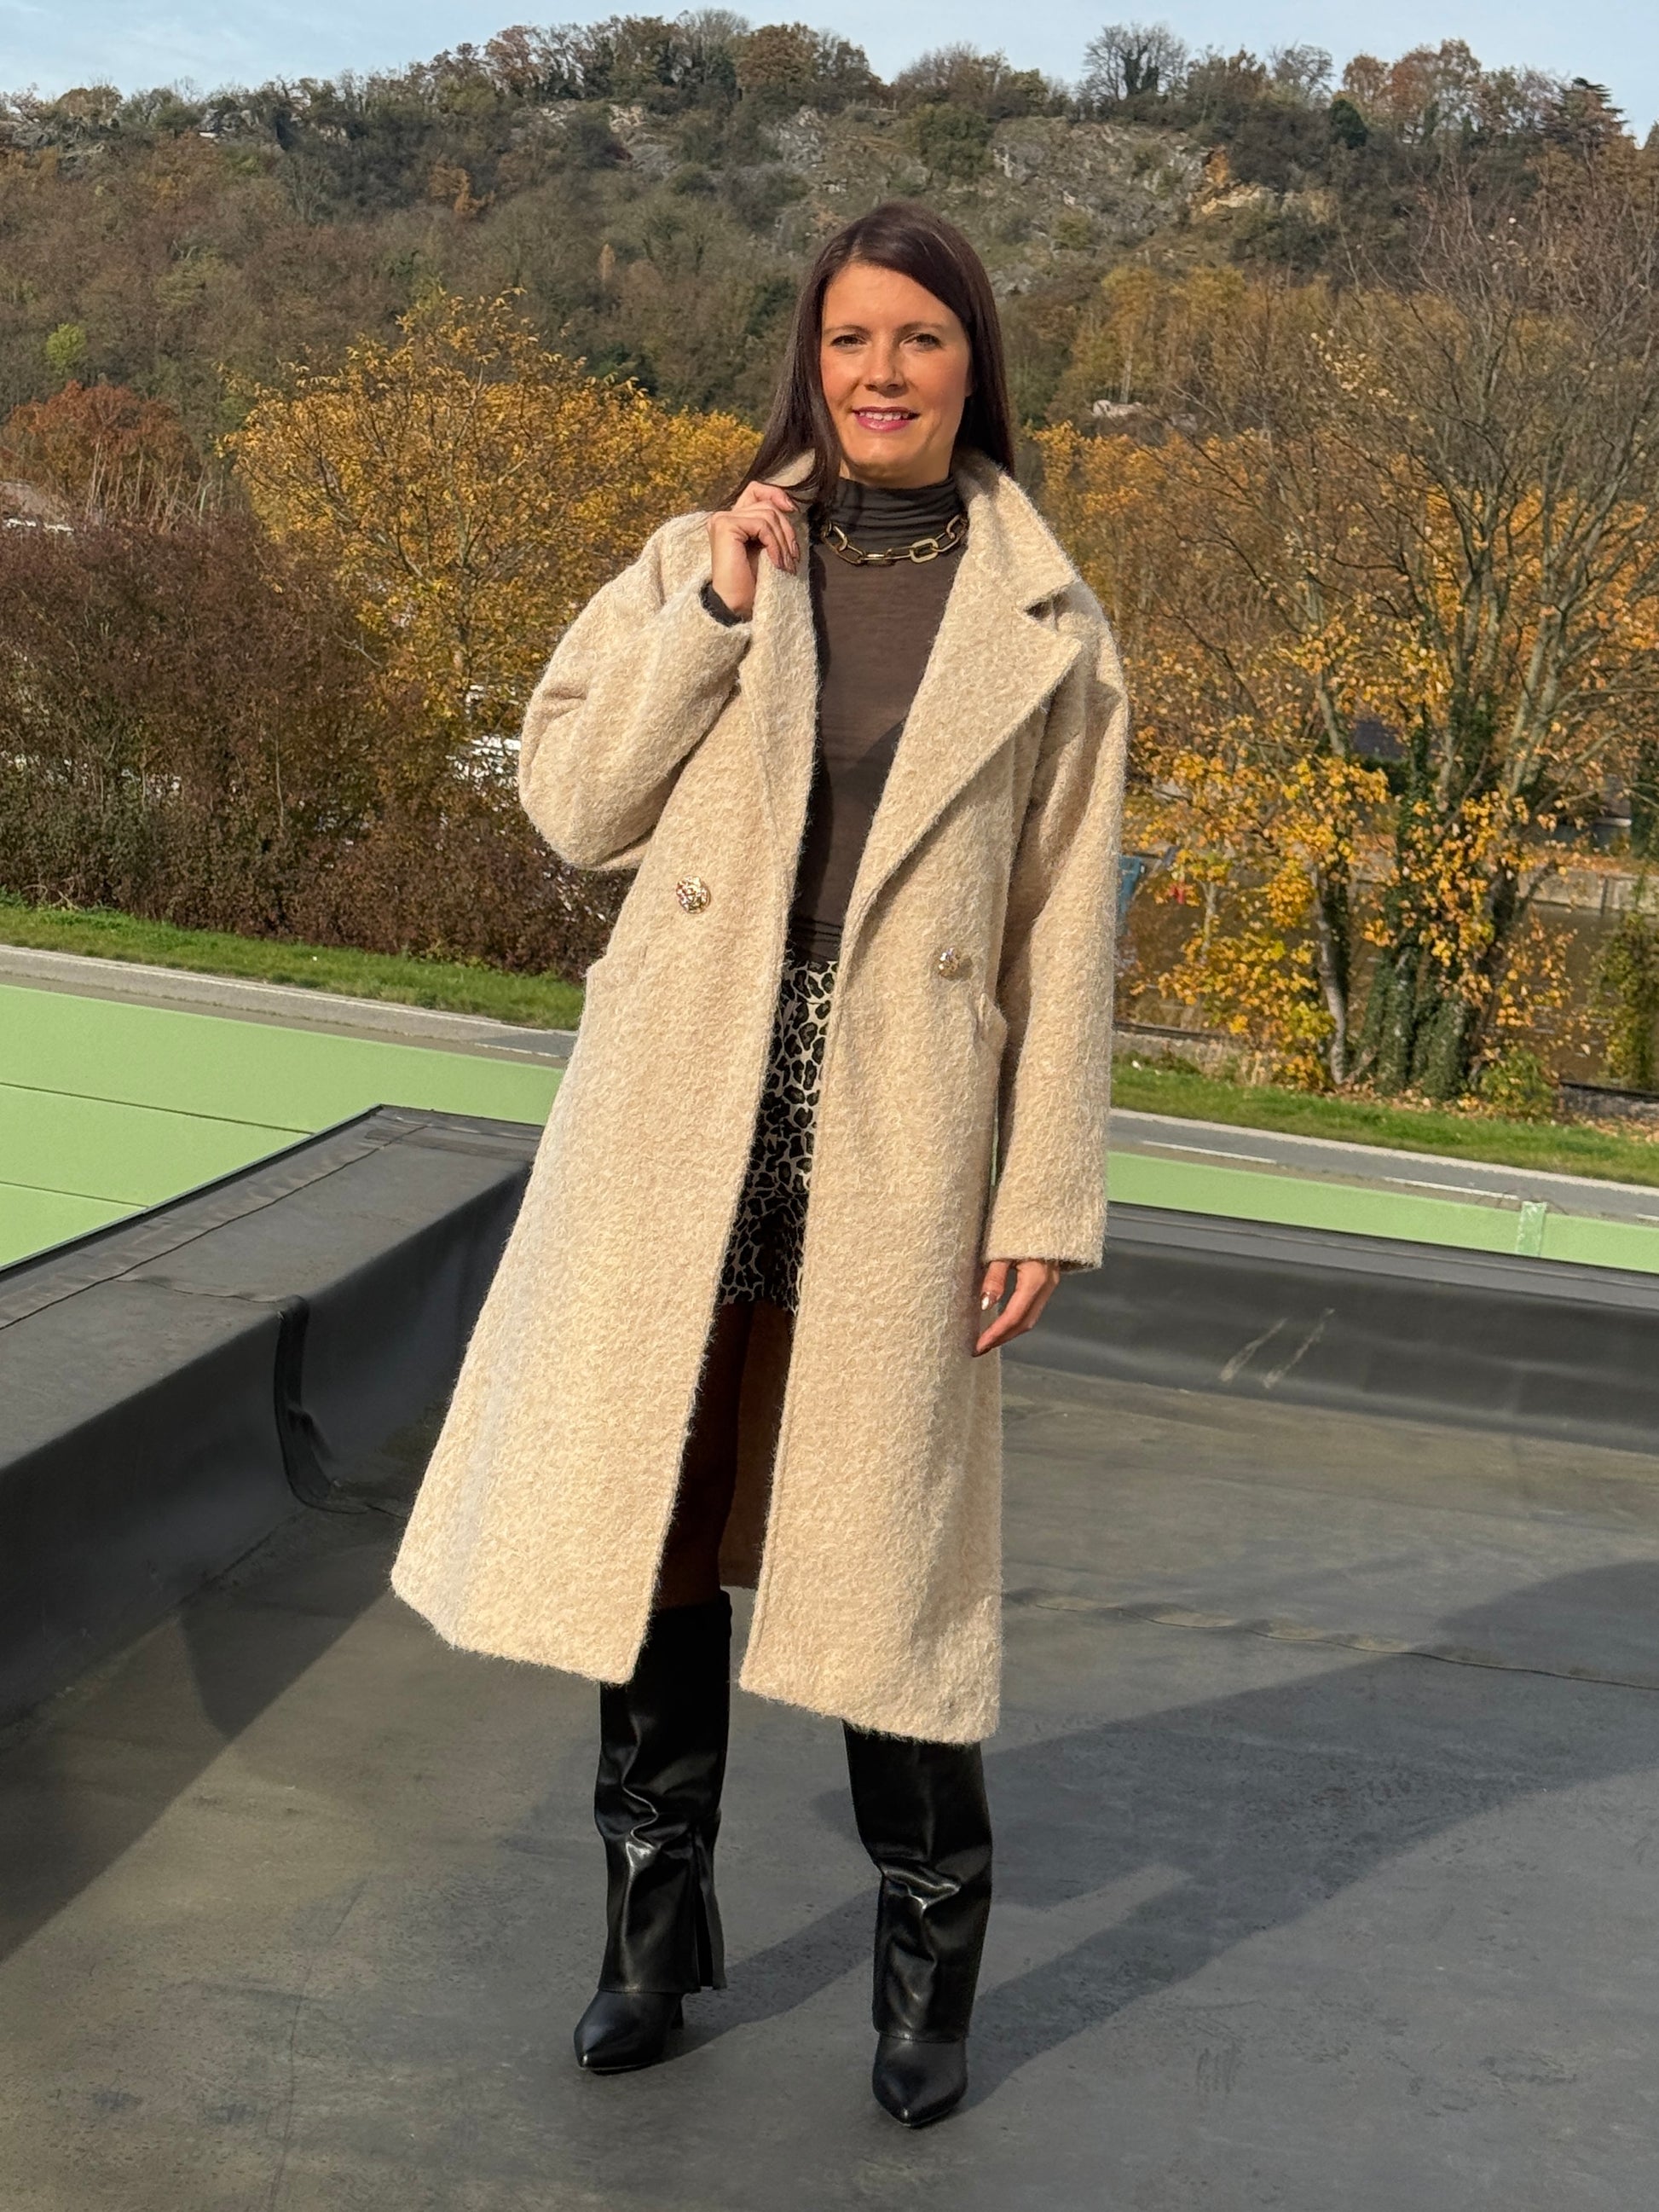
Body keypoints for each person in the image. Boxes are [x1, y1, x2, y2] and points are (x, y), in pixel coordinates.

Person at [391, 200, 1130, 2128]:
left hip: (902, 1126)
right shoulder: (695, 557)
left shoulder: (1049, 625)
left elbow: (1066, 931)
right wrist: (714, 616)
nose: (881, 373)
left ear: (973, 366)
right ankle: (650, 1936)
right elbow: (573, 806)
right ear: (808, 359)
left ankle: (928, 1960)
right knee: (659, 1513)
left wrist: (1042, 1193)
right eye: (849, 338)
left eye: (920, 339)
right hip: (685, 1112)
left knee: (887, 1545)